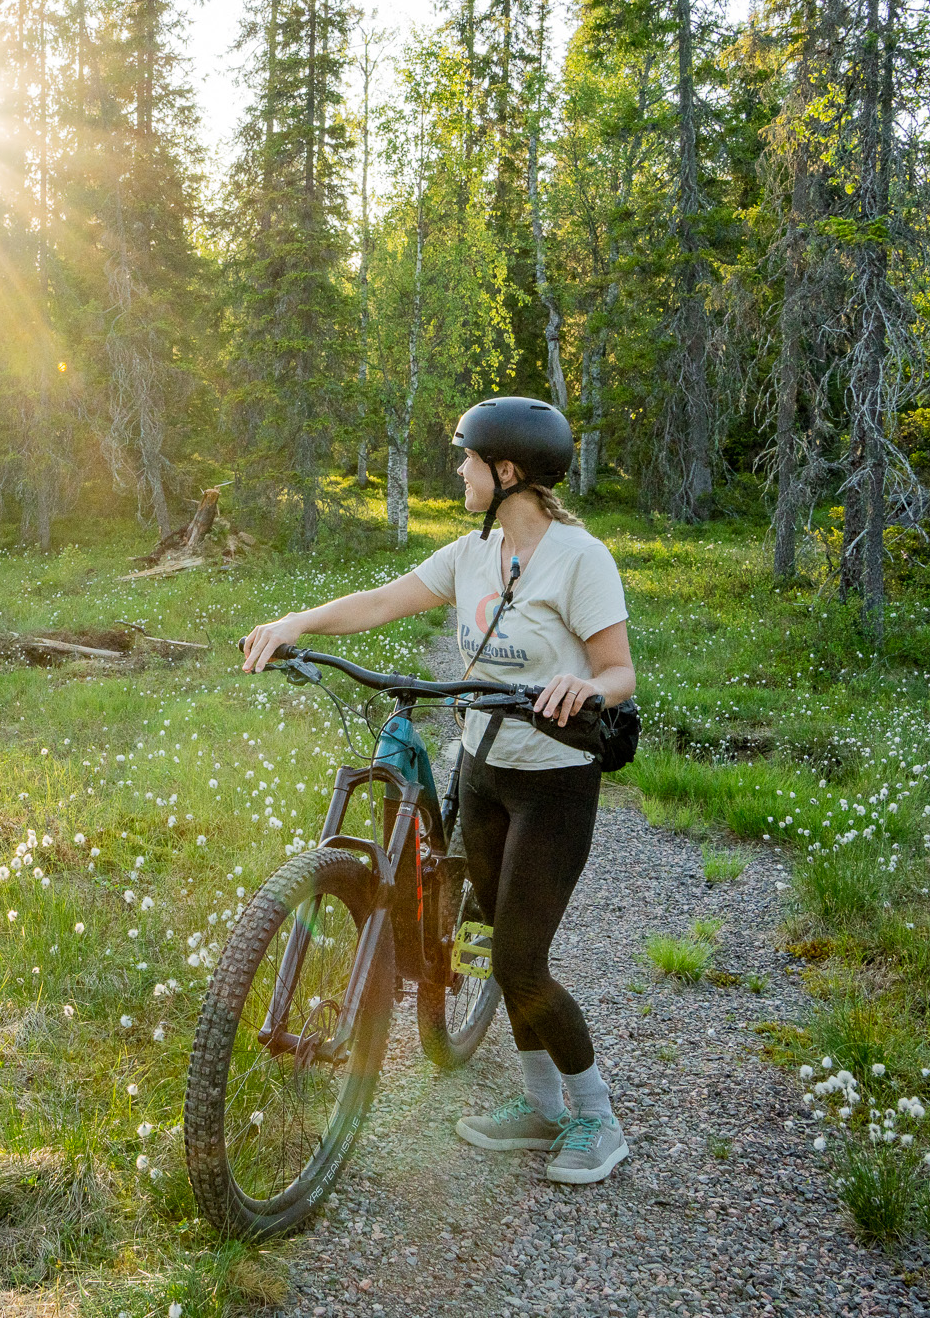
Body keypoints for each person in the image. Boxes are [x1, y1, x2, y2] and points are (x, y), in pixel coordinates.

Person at [239, 396, 637, 1185]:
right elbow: (383, 602)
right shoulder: (468, 556)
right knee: (493, 952)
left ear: (508, 470)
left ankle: (597, 1114)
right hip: (481, 769)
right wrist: (296, 621)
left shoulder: (580, 559)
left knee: (522, 959)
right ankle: (539, 1105)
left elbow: (620, 671)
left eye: (468, 458)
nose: (459, 469)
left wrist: (580, 685)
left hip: (554, 782)